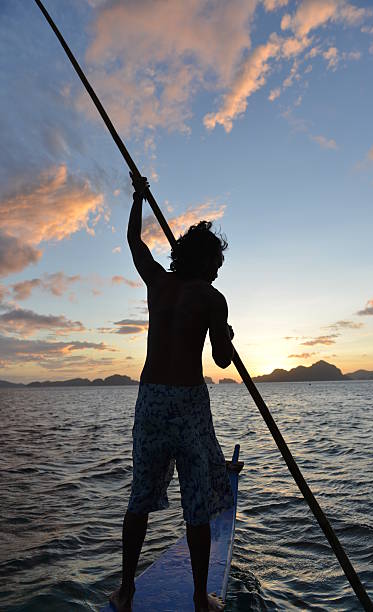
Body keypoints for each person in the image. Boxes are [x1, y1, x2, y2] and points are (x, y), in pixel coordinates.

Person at [109, 173, 235, 612]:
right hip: (187, 402)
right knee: (196, 504)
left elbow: (134, 242)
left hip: (150, 402)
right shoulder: (212, 297)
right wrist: (227, 334)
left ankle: (126, 591)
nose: (219, 269)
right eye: (216, 261)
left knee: (139, 497)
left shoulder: (157, 283)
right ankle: (201, 599)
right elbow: (221, 361)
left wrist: (137, 200)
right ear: (203, 262)